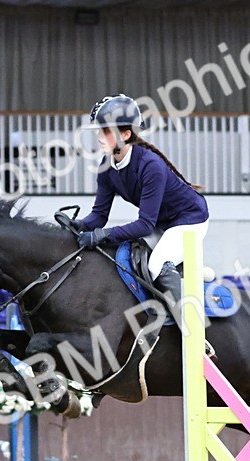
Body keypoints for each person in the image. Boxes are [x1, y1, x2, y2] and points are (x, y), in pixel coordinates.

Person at [72, 94, 209, 308]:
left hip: (189, 220)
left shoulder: (150, 166)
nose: (99, 136)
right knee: (129, 257)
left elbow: (145, 225)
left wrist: (104, 235)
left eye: (106, 131)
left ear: (126, 134)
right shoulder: (106, 165)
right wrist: (80, 225)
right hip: (162, 223)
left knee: (156, 265)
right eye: (99, 130)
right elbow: (99, 216)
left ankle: (193, 331)